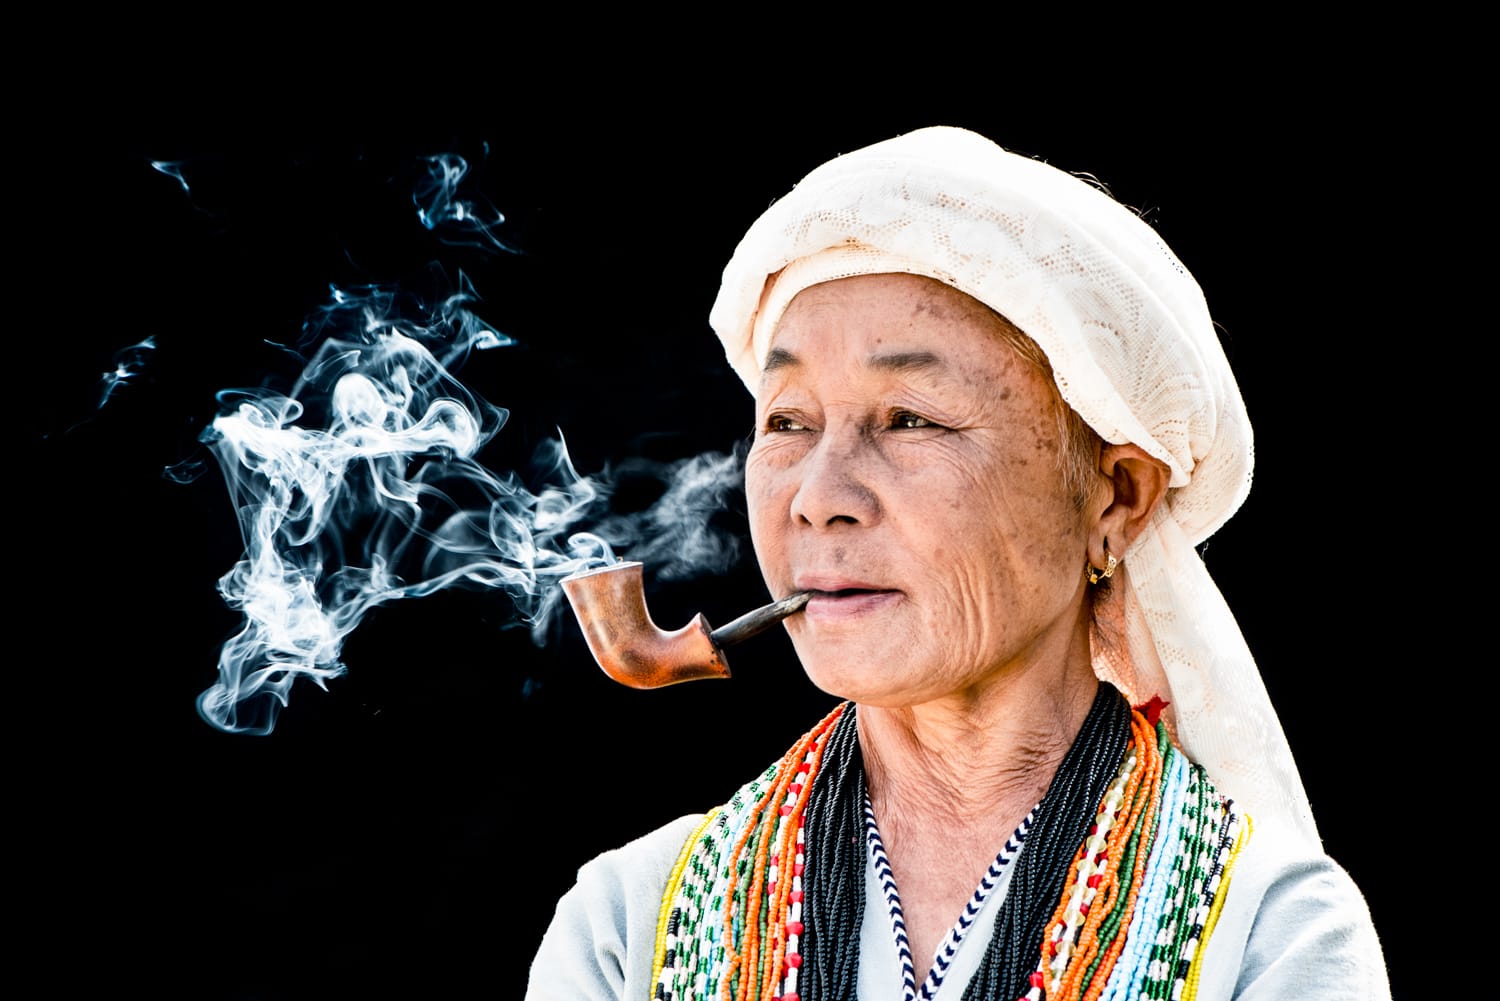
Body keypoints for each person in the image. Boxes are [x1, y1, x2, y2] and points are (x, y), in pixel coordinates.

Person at [524, 126, 1389, 1000]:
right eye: (787, 421)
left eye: (910, 416)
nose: (819, 495)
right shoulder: (630, 927)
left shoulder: (1269, 933)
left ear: (1116, 498)